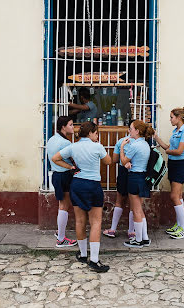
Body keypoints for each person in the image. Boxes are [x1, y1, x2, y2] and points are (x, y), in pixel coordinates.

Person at [52, 121, 111, 273]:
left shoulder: (73, 146)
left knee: (80, 220)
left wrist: (71, 167)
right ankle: (95, 260)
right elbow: (108, 161)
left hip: (77, 184)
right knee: (96, 221)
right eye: (96, 133)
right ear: (90, 133)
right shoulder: (97, 146)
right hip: (93, 185)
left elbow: (55, 158)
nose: (97, 135)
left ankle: (83, 254)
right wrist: (99, 146)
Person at [154, 107, 184, 239]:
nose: (170, 120)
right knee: (178, 196)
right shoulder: (175, 131)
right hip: (174, 164)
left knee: (174, 196)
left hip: (180, 164)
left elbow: (179, 151)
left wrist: (168, 152)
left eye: (171, 117)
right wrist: (156, 138)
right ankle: (179, 225)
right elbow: (169, 148)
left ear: (179, 117)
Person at [120, 120, 155, 249]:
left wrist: (122, 147)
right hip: (142, 176)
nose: (129, 131)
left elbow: (124, 161)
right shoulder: (145, 144)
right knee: (139, 209)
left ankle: (138, 240)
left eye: (131, 129)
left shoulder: (135, 145)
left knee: (136, 210)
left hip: (134, 177)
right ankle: (144, 237)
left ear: (137, 131)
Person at [46, 116, 77, 248]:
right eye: (70, 125)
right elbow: (73, 159)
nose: (73, 127)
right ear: (63, 127)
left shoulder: (51, 139)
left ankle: (60, 232)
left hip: (56, 174)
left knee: (61, 205)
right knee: (64, 206)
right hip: (64, 175)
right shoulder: (66, 144)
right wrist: (72, 167)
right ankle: (61, 239)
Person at [103, 121, 135, 239]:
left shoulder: (121, 141)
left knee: (119, 200)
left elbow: (115, 159)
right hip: (136, 173)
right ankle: (131, 231)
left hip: (123, 172)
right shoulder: (142, 142)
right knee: (134, 202)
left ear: (129, 129)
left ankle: (112, 229)